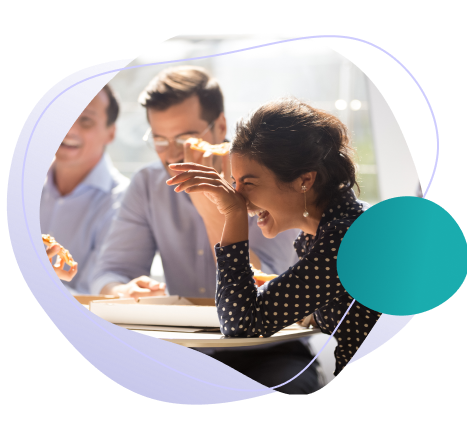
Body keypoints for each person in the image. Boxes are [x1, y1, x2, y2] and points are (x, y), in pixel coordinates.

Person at [91, 66, 323, 394]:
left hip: (270, 349)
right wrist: (122, 291)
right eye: (159, 139)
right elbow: (110, 271)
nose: (172, 154)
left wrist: (211, 206)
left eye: (186, 138)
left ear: (222, 127)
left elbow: (262, 287)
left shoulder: (271, 179)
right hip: (184, 351)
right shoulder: (147, 185)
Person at [168, 96, 383, 377]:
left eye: (249, 183)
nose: (238, 196)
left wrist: (231, 215)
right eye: (235, 183)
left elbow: (241, 325)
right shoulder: (325, 233)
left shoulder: (345, 239)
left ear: (305, 181)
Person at [40, 84, 130, 294]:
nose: (69, 129)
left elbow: (94, 295)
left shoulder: (124, 202)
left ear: (111, 133)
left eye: (86, 121)